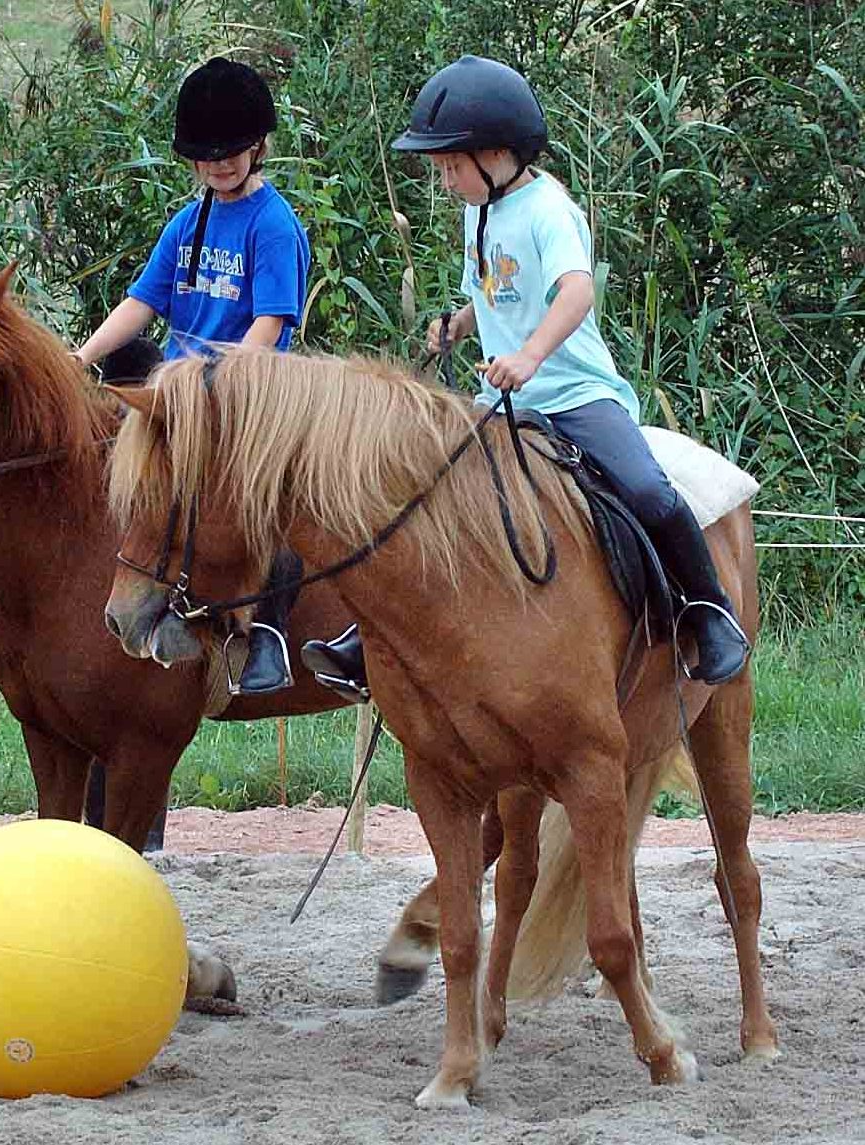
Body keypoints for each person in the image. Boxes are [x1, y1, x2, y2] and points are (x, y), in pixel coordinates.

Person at [303, 55, 749, 693]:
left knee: (647, 490)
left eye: (451, 166)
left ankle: (708, 612)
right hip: (498, 397)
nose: (445, 180)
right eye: (440, 169)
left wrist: (531, 356)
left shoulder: (548, 211)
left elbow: (574, 293)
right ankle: (372, 638)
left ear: (496, 154)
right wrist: (457, 325)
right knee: (419, 493)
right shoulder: (477, 211)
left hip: (576, 395)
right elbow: (490, 295)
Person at [74, 56, 311, 694]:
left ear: (257, 147)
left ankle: (269, 633)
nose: (219, 165)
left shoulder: (273, 226)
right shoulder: (189, 223)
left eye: (231, 152)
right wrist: (82, 358)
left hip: (247, 394)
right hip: (180, 394)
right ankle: (149, 603)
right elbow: (142, 303)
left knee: (267, 502)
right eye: (206, 156)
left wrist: (214, 382)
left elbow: (269, 326)